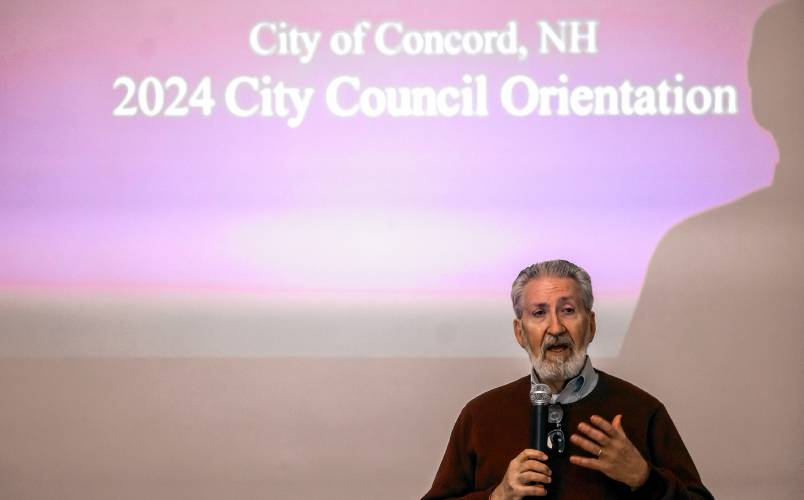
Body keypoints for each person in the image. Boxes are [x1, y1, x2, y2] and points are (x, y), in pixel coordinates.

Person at [422, 260, 712, 499]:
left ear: (591, 325)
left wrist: (645, 479)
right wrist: (498, 496)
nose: (556, 327)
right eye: (539, 313)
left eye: (568, 311)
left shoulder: (642, 411)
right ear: (520, 333)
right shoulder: (481, 415)